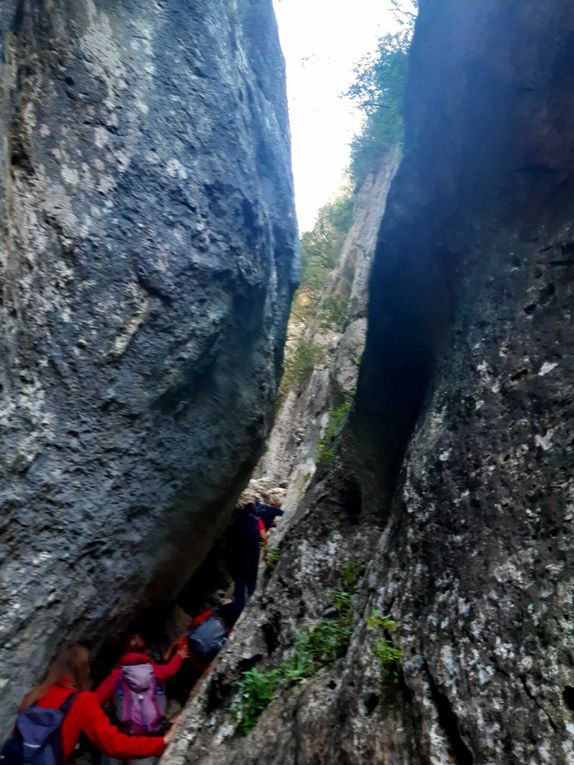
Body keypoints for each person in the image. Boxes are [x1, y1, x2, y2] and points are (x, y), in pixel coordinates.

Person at [12, 642, 168, 764]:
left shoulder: (32, 696)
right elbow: (115, 745)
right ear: (83, 668)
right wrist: (162, 743)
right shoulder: (82, 700)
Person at [227, 502, 266, 613]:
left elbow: (230, 537)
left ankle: (239, 606)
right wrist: (266, 551)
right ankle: (253, 605)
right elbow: (263, 537)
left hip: (238, 553)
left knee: (240, 580)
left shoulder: (237, 520)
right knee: (251, 579)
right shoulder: (257, 520)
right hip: (252, 554)